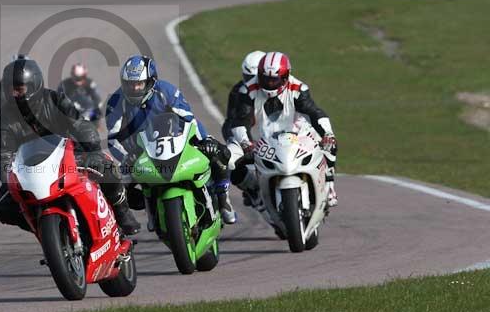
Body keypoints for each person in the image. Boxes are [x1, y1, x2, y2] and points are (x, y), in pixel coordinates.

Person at [0, 58, 141, 235]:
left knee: (106, 166)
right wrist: (7, 175)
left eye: (18, 89)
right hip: (30, 169)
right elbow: (3, 152)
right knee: (2, 207)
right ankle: (45, 230)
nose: (13, 94)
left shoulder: (54, 99)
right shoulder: (4, 116)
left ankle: (121, 211)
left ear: (34, 86)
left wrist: (92, 148)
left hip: (68, 156)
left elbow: (81, 125)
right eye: (10, 89)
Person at [105, 55, 236, 224]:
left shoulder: (166, 91)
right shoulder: (116, 101)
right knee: (115, 189)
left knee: (220, 152)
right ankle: (125, 227)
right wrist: (126, 156)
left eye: (139, 84)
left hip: (177, 141)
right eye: (130, 84)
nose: (135, 89)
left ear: (151, 82)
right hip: (139, 153)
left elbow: (189, 119)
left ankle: (223, 197)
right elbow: (113, 138)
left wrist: (204, 140)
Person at [228, 51, 338, 207]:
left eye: (275, 80)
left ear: (285, 77)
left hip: (297, 135)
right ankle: (253, 190)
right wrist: (246, 144)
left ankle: (329, 185)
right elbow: (240, 121)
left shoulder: (298, 88)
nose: (270, 84)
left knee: (330, 142)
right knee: (229, 161)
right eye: (265, 79)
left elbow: (315, 112)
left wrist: (327, 134)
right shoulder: (248, 90)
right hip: (262, 141)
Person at [222, 51, 265, 207]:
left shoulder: (280, 91)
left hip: (275, 140)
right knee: (227, 162)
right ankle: (251, 188)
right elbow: (231, 122)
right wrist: (236, 142)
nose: (251, 82)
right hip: (249, 140)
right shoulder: (238, 92)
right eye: (248, 77)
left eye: (255, 78)